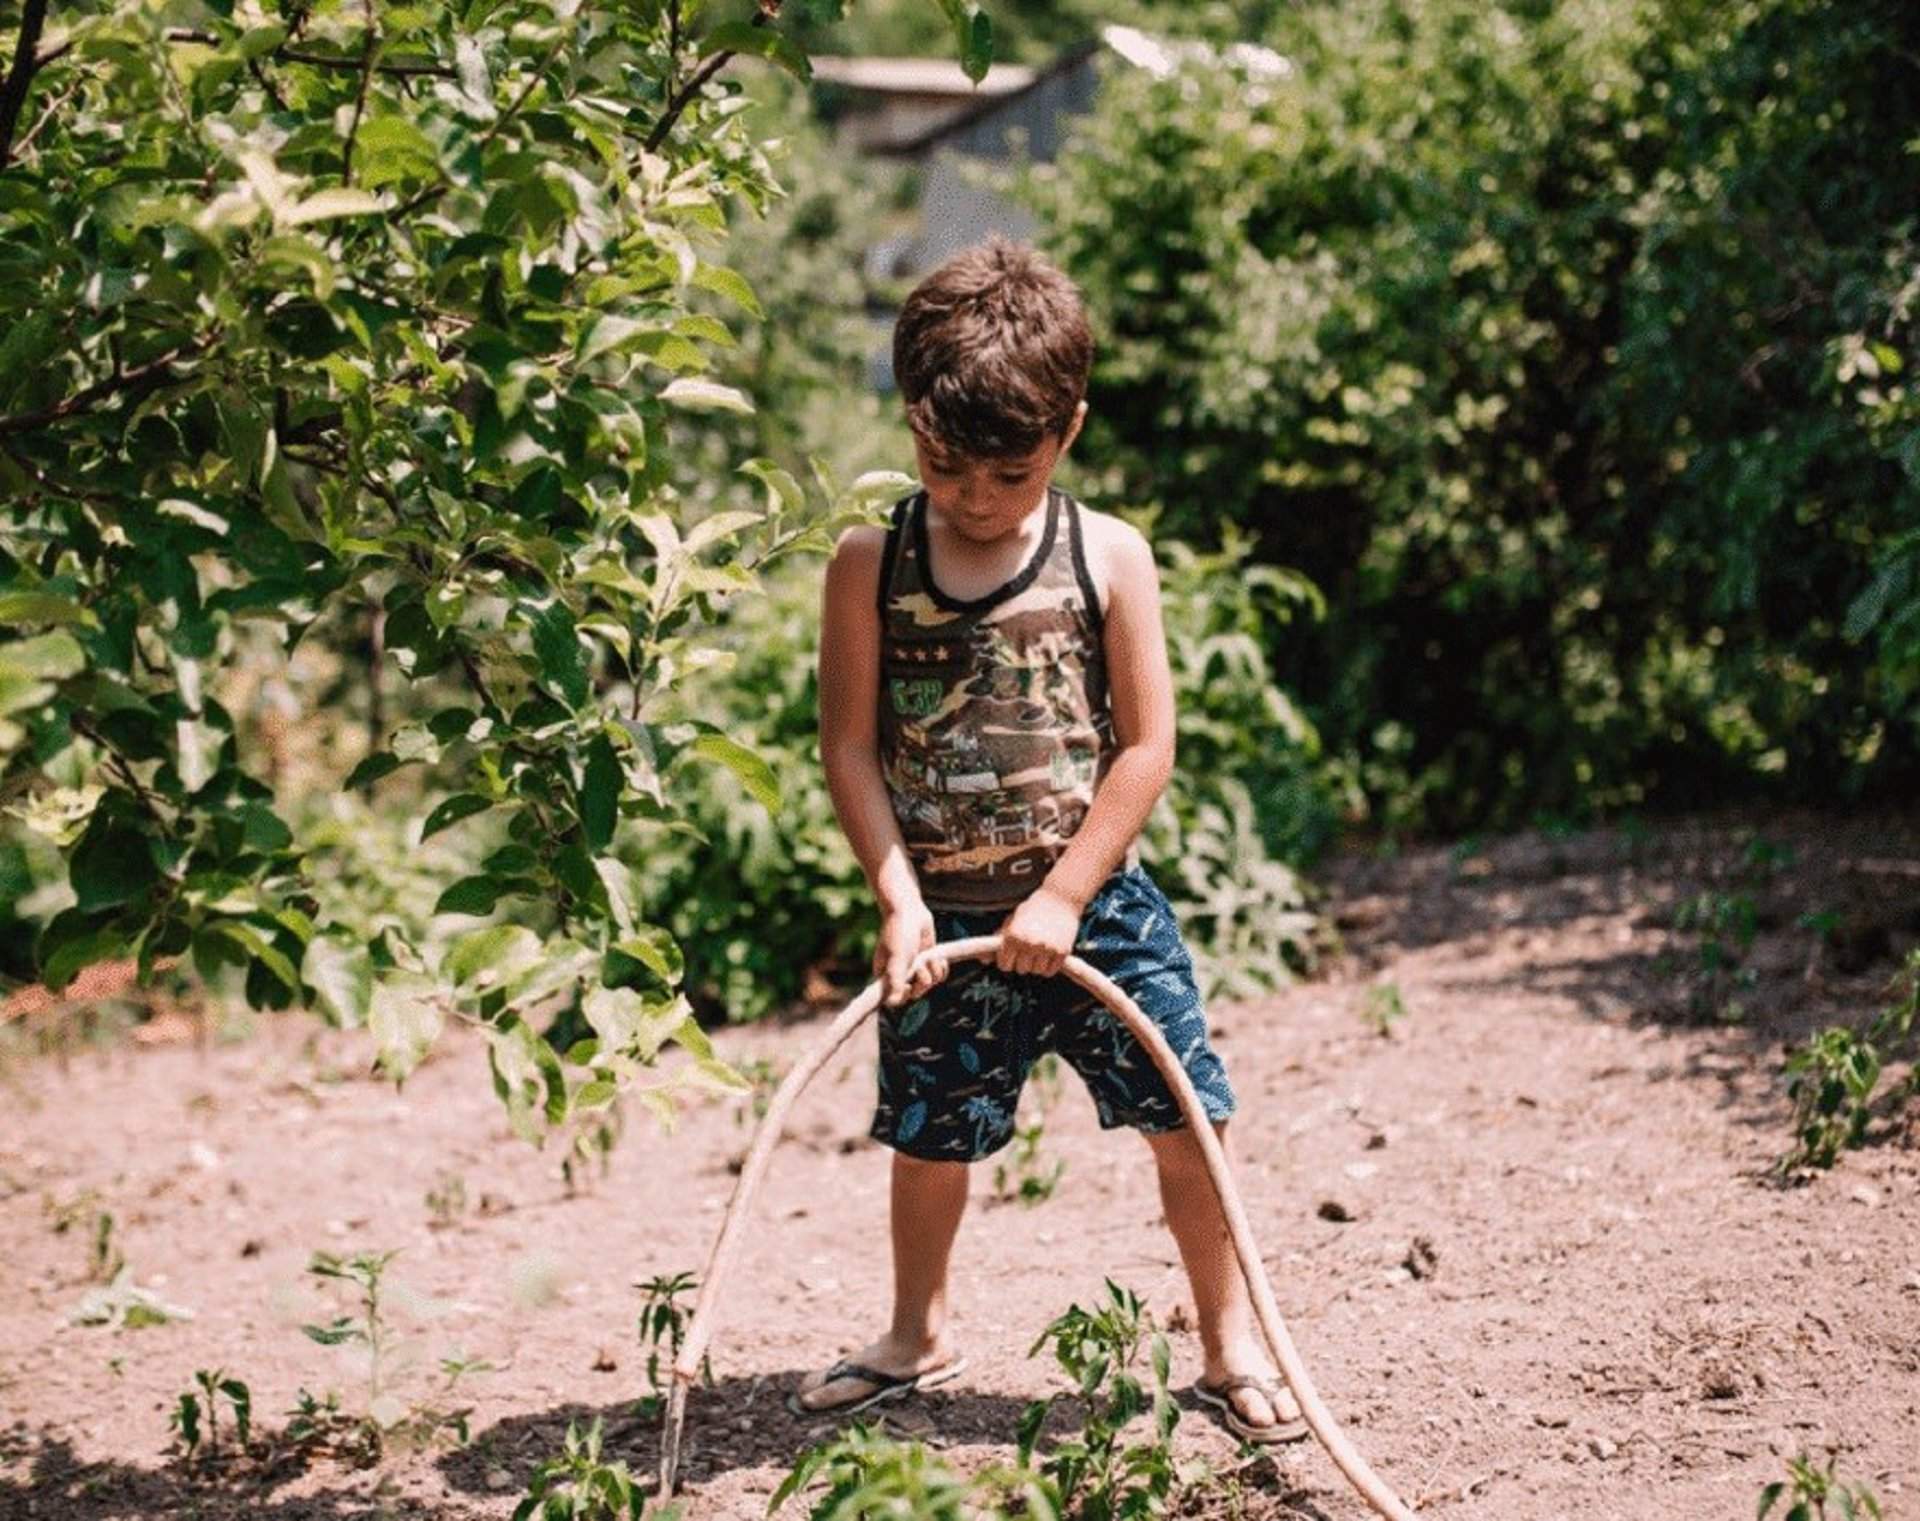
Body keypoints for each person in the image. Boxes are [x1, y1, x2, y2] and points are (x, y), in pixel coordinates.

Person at [799, 236, 1305, 1445]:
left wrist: (1067, 896)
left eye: (1006, 472)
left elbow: (1144, 752)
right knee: (928, 1137)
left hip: (1097, 911)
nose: (971, 496)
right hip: (948, 924)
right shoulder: (871, 564)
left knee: (1189, 1119)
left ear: (1066, 431)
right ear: (911, 423)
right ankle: (917, 1329)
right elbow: (850, 747)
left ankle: (1228, 1344)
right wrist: (898, 897)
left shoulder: (1107, 556)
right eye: (943, 463)